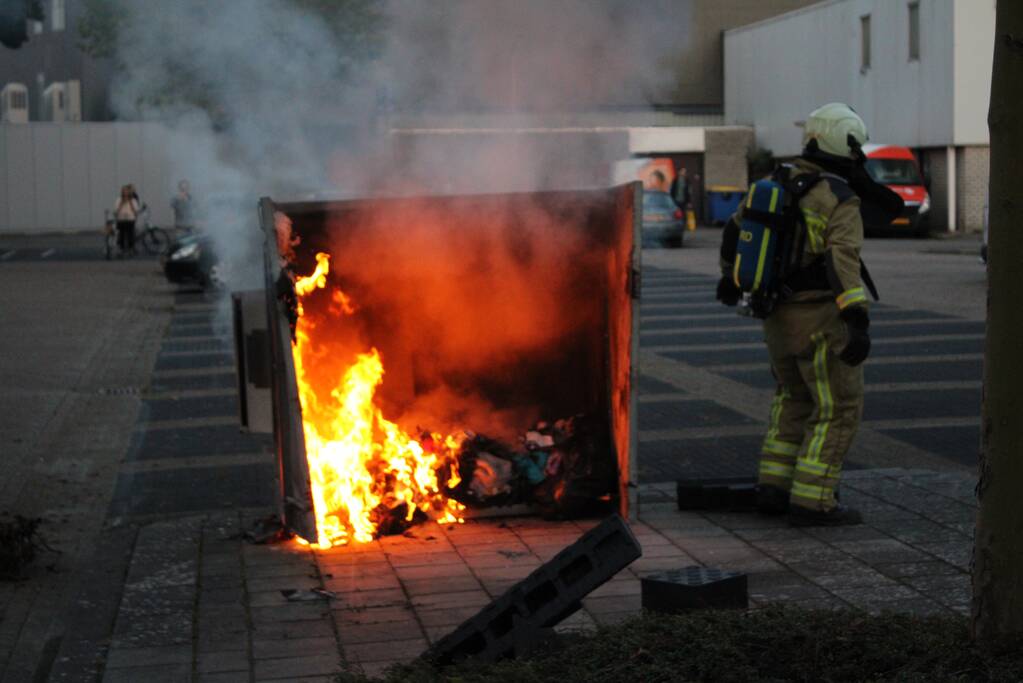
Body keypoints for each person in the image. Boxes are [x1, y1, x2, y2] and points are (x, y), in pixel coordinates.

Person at [716, 103, 877, 527]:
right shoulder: (837, 197)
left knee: (792, 399)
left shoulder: (771, 183)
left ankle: (774, 487)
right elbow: (843, 262)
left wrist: (728, 279)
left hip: (775, 320)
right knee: (837, 407)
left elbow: (734, 231)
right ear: (845, 144)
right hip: (820, 322)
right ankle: (813, 500)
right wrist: (856, 320)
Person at [113, 184, 141, 256]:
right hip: (121, 219)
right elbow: (116, 212)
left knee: (130, 234)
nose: (125, 193)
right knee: (121, 235)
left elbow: (136, 212)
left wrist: (130, 203)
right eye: (124, 191)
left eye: (126, 191)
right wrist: (121, 203)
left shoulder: (133, 200)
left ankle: (130, 249)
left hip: (130, 219)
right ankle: (121, 249)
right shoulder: (118, 200)